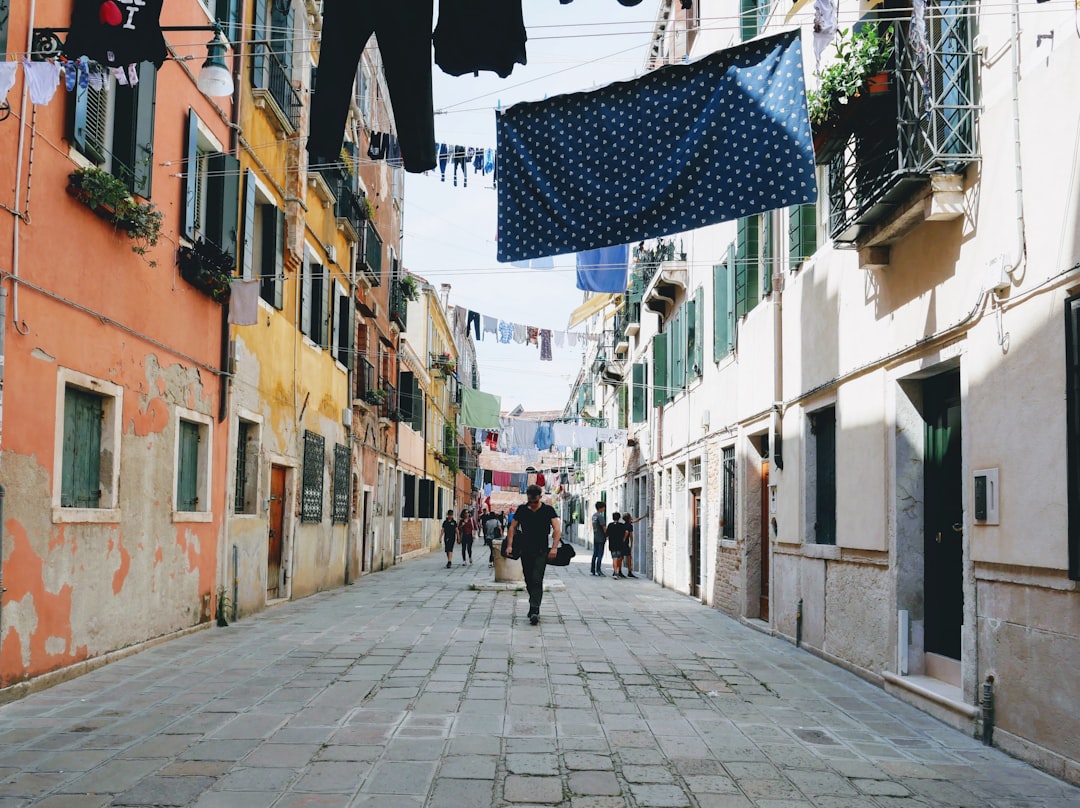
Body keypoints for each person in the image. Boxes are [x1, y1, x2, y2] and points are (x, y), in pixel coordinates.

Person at [504, 484, 561, 625]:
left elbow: (557, 529)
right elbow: (512, 527)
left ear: (540, 497)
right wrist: (510, 545)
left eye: (535, 501)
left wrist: (554, 548)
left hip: (542, 550)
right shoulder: (522, 509)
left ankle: (535, 609)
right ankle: (533, 603)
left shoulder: (548, 510)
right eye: (531, 501)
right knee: (528, 579)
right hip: (525, 550)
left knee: (537, 578)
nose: (533, 504)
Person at [622, 511, 647, 579]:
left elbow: (636, 520)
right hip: (626, 544)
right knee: (629, 557)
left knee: (621, 557)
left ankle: (619, 571)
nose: (631, 517)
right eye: (630, 516)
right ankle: (629, 572)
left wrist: (644, 516)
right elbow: (630, 535)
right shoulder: (629, 525)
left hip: (622, 543)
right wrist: (631, 544)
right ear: (629, 518)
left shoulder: (624, 525)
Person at [606, 512, 630, 578]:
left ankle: (615, 572)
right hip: (620, 544)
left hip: (612, 544)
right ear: (619, 518)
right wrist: (624, 539)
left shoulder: (610, 525)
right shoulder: (621, 525)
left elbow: (607, 534)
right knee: (619, 558)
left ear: (613, 518)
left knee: (614, 558)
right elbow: (626, 532)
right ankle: (618, 571)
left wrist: (609, 538)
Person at [590, 500, 607, 576]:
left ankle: (592, 569)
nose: (604, 509)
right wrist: (607, 535)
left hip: (596, 537)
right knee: (600, 554)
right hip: (601, 537)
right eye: (604, 507)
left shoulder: (594, 516)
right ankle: (598, 570)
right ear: (601, 508)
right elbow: (603, 527)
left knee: (595, 554)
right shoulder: (600, 516)